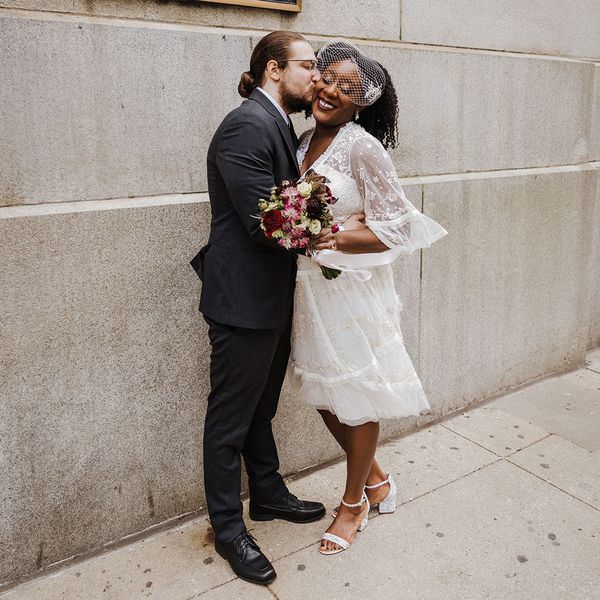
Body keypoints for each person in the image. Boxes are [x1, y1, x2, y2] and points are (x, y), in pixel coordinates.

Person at [289, 41, 448, 555]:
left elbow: (395, 228)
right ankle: (377, 478)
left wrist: (328, 235)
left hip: (352, 291)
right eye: (327, 79)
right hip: (311, 289)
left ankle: (353, 502)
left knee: (356, 393)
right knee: (326, 394)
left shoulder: (361, 146)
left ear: (363, 104)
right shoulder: (304, 139)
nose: (331, 91)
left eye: (347, 89)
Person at [190, 31, 327, 585]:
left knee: (259, 409)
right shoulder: (247, 125)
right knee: (229, 420)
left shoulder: (276, 123)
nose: (315, 77)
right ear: (274, 69)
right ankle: (228, 529)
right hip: (242, 301)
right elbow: (267, 220)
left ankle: (267, 495)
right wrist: (328, 231)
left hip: (267, 298)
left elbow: (284, 206)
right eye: (308, 66)